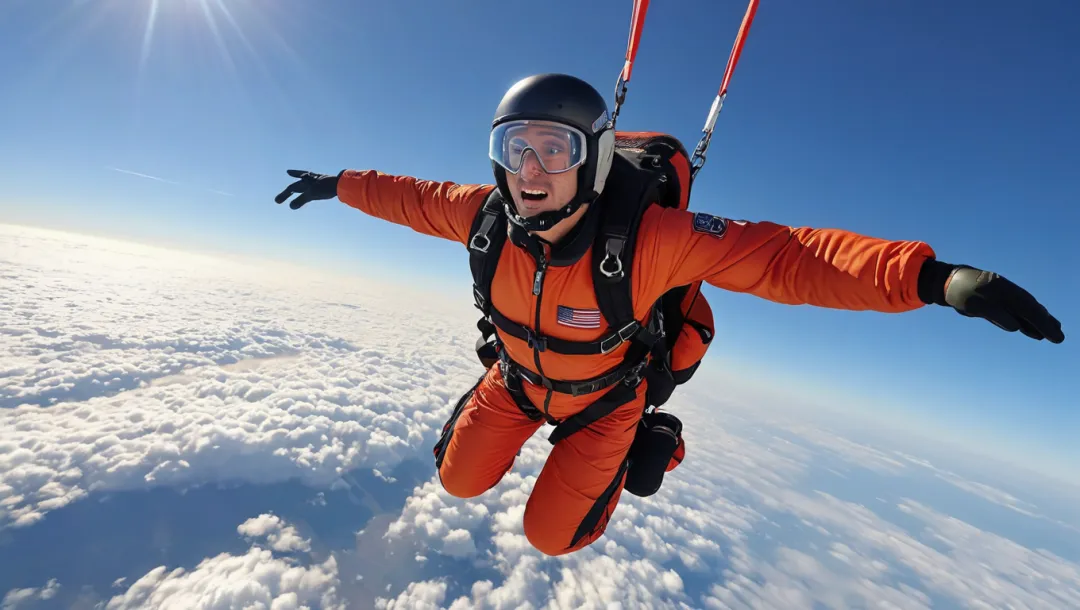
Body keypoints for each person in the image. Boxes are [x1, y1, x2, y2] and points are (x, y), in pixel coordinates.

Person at [274, 73, 1064, 557]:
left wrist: (932, 278)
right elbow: (409, 198)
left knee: (550, 538)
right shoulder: (484, 218)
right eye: (517, 148)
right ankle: (506, 427)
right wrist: (340, 182)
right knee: (455, 482)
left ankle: (655, 441)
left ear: (592, 158)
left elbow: (788, 256)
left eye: (554, 149)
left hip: (603, 406)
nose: (533, 170)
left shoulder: (651, 243)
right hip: (516, 382)